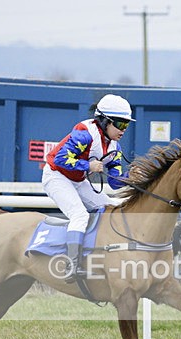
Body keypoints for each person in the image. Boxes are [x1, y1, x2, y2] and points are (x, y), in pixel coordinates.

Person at [42, 93, 133, 279]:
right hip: (56, 176)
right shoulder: (84, 133)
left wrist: (131, 177)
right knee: (80, 215)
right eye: (120, 124)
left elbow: (115, 183)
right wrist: (88, 166)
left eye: (127, 125)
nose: (123, 130)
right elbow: (59, 159)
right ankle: (71, 266)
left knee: (113, 208)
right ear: (104, 121)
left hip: (78, 181)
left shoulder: (115, 148)